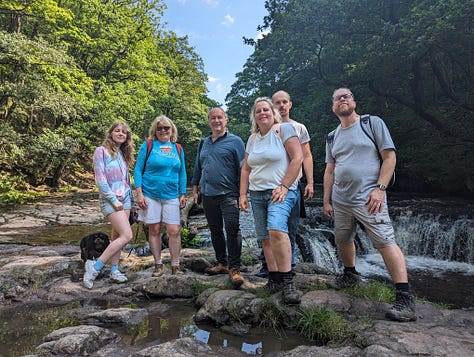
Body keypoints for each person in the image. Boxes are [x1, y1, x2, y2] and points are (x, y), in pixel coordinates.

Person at [323, 87, 416, 322]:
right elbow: (330, 170)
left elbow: (389, 157)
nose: (342, 99)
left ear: (353, 101)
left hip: (369, 198)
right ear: (333, 107)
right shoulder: (332, 136)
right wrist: (326, 200)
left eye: (346, 96)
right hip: (341, 200)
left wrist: (380, 189)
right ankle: (350, 274)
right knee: (343, 239)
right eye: (337, 98)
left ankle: (404, 298)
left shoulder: (371, 123)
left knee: (385, 242)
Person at [239, 97, 303, 304]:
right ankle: (273, 279)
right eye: (258, 111)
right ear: (254, 116)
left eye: (266, 109)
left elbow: (298, 158)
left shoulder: (284, 130)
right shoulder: (253, 139)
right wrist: (242, 194)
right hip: (257, 194)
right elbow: (246, 169)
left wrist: (284, 186)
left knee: (276, 229)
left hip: (281, 191)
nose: (262, 113)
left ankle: (288, 282)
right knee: (265, 237)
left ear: (272, 112)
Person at [255, 90, 314, 277]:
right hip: (270, 185)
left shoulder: (298, 127)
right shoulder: (264, 131)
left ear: (290, 104)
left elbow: (305, 156)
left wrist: (310, 182)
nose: (281, 105)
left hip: (293, 185)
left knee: (289, 226)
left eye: (284, 102)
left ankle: (290, 265)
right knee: (270, 228)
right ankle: (268, 266)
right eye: (277, 103)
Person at [191, 107, 246, 287]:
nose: (216, 121)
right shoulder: (203, 143)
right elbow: (198, 167)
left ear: (226, 120)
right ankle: (222, 263)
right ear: (209, 121)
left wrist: (243, 194)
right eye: (213, 118)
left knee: (232, 228)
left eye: (220, 117)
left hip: (229, 194)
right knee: (215, 230)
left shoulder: (235, 141)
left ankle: (235, 268)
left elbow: (243, 169)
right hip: (207, 194)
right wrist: (195, 188)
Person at [84, 121, 135, 289]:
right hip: (111, 199)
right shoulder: (101, 151)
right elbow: (100, 180)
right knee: (127, 236)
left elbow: (126, 181)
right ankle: (95, 267)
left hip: (126, 198)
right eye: (117, 131)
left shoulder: (123, 153)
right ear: (111, 133)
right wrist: (114, 200)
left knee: (116, 237)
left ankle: (114, 270)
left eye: (124, 132)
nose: (121, 134)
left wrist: (131, 202)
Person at [134, 115, 187, 276]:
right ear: (155, 131)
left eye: (166, 128)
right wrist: (139, 194)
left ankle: (175, 266)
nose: (163, 130)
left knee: (174, 230)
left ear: (172, 130)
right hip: (150, 194)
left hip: (171, 195)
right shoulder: (148, 145)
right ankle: (158, 265)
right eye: (160, 128)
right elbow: (137, 169)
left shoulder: (177, 148)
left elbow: (182, 172)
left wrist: (183, 193)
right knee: (154, 229)